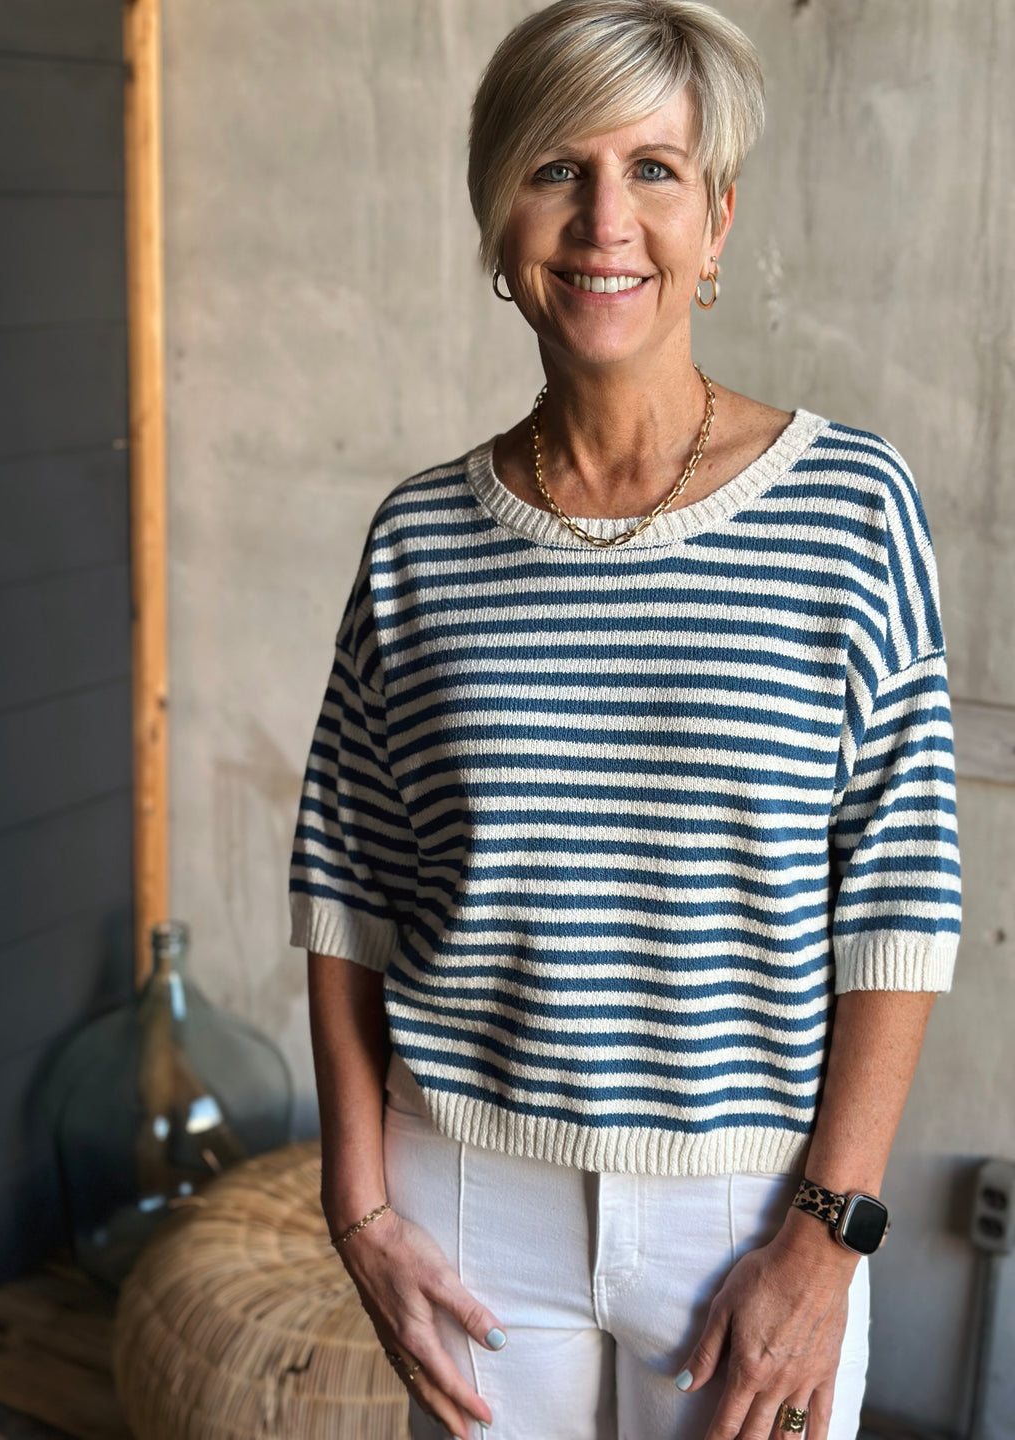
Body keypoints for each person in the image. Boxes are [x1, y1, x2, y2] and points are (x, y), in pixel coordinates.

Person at [288, 3, 961, 1437]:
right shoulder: (419, 538)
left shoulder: (851, 510)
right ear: (498, 219)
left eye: (654, 170)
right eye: (556, 169)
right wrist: (358, 1208)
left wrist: (831, 1231)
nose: (606, 219)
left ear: (717, 221)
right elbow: (348, 891)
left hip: (751, 1206)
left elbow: (899, 899)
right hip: (467, 1197)